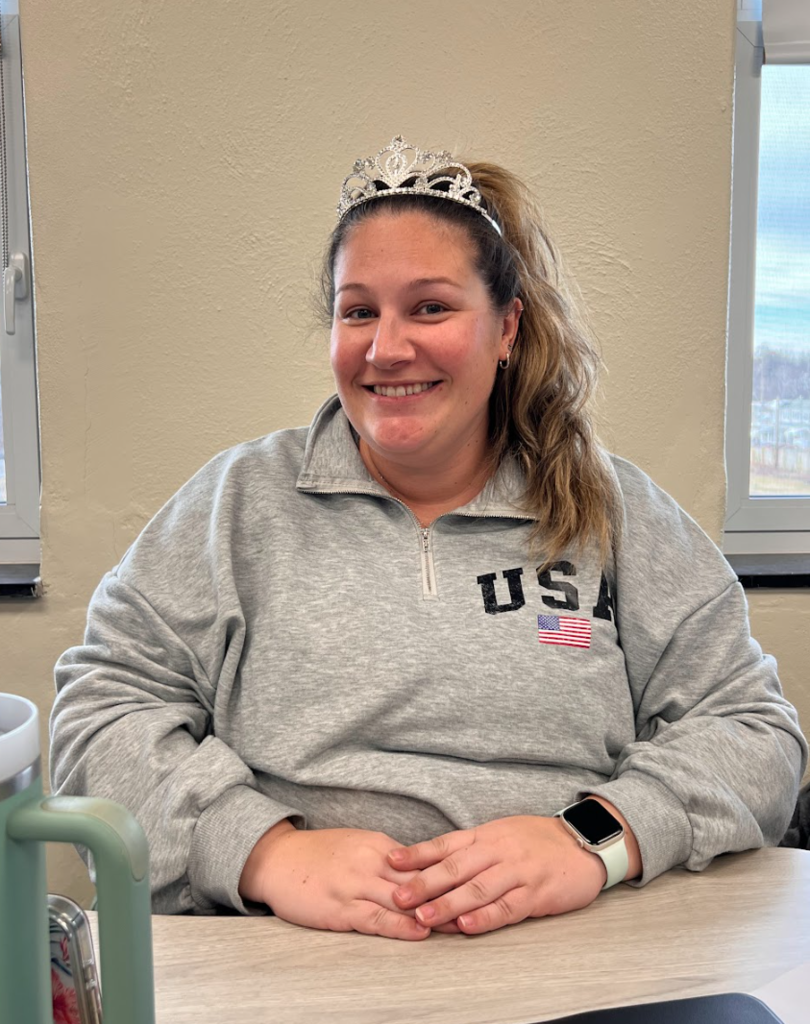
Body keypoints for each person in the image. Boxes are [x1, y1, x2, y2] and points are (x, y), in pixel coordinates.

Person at [50, 135, 807, 941]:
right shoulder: (237, 504)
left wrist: (589, 839)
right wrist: (264, 853)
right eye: (358, 311)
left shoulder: (613, 512)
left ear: (507, 327)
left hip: (579, 952)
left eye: (430, 307)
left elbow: (754, 733)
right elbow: (99, 716)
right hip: (284, 954)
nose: (386, 349)